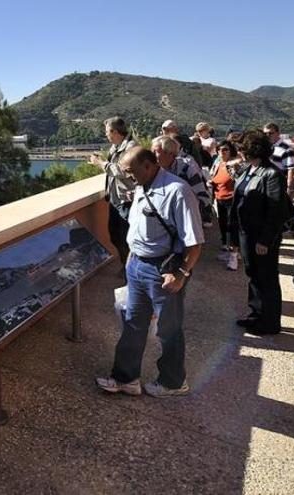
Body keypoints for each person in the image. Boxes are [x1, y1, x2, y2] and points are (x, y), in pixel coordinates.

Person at [95, 147, 204, 398]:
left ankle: (173, 382)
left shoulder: (177, 191)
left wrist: (181, 273)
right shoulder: (143, 185)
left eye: (131, 171)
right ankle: (126, 378)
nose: (129, 177)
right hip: (137, 266)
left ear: (148, 165)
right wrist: (131, 258)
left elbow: (195, 241)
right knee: (133, 322)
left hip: (162, 270)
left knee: (168, 330)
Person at [232, 130, 289, 336]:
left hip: (261, 236)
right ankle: (256, 313)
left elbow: (276, 211)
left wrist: (265, 240)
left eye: (241, 149)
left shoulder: (272, 174)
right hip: (247, 233)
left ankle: (270, 322)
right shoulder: (249, 170)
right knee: (253, 275)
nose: (238, 152)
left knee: (267, 278)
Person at [90, 116, 138, 267]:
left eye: (107, 132)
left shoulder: (131, 147)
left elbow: (123, 171)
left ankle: (130, 271)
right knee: (115, 236)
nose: (105, 135)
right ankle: (126, 265)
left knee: (127, 238)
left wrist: (100, 163)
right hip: (115, 199)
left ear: (115, 132)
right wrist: (104, 162)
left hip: (126, 200)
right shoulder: (115, 147)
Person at [151, 136, 212, 212]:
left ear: (170, 153)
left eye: (155, 152)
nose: (151, 156)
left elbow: (203, 198)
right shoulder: (153, 172)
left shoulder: (187, 169)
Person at [208, 140, 240, 270]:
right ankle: (228, 250)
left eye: (225, 149)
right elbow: (214, 178)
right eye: (220, 149)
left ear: (231, 150)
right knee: (223, 225)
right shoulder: (218, 163)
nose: (222, 151)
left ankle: (234, 256)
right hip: (219, 199)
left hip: (232, 200)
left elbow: (238, 179)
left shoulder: (234, 164)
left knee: (233, 227)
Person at [262, 123, 294, 200]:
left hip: (279, 187)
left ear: (278, 133)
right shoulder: (265, 148)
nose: (268, 135)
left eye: (270, 133)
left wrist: (289, 191)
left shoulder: (287, 150)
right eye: (265, 133)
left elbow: (291, 170)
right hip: (265, 187)